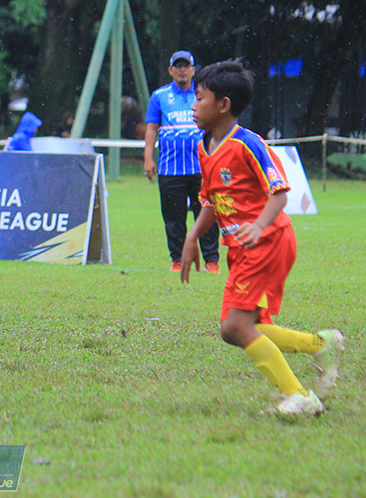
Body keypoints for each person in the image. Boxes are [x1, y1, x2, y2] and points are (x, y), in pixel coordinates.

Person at [180, 60, 344, 417]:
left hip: (268, 242)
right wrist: (193, 236)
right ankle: (321, 345)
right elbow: (211, 201)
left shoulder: (248, 144)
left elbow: (279, 193)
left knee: (238, 325)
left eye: (200, 98)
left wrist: (257, 226)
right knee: (235, 329)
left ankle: (299, 396)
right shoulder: (204, 146)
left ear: (223, 105)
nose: (193, 106)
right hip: (242, 248)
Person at [144, 50, 220, 273]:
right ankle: (177, 260)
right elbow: (151, 128)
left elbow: (216, 124)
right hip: (170, 169)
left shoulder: (204, 94)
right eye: (178, 66)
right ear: (170, 70)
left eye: (186, 66)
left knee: (206, 213)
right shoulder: (159, 96)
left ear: (193, 70)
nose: (182, 70)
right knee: (173, 218)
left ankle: (211, 261)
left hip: (202, 168)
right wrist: (148, 158)